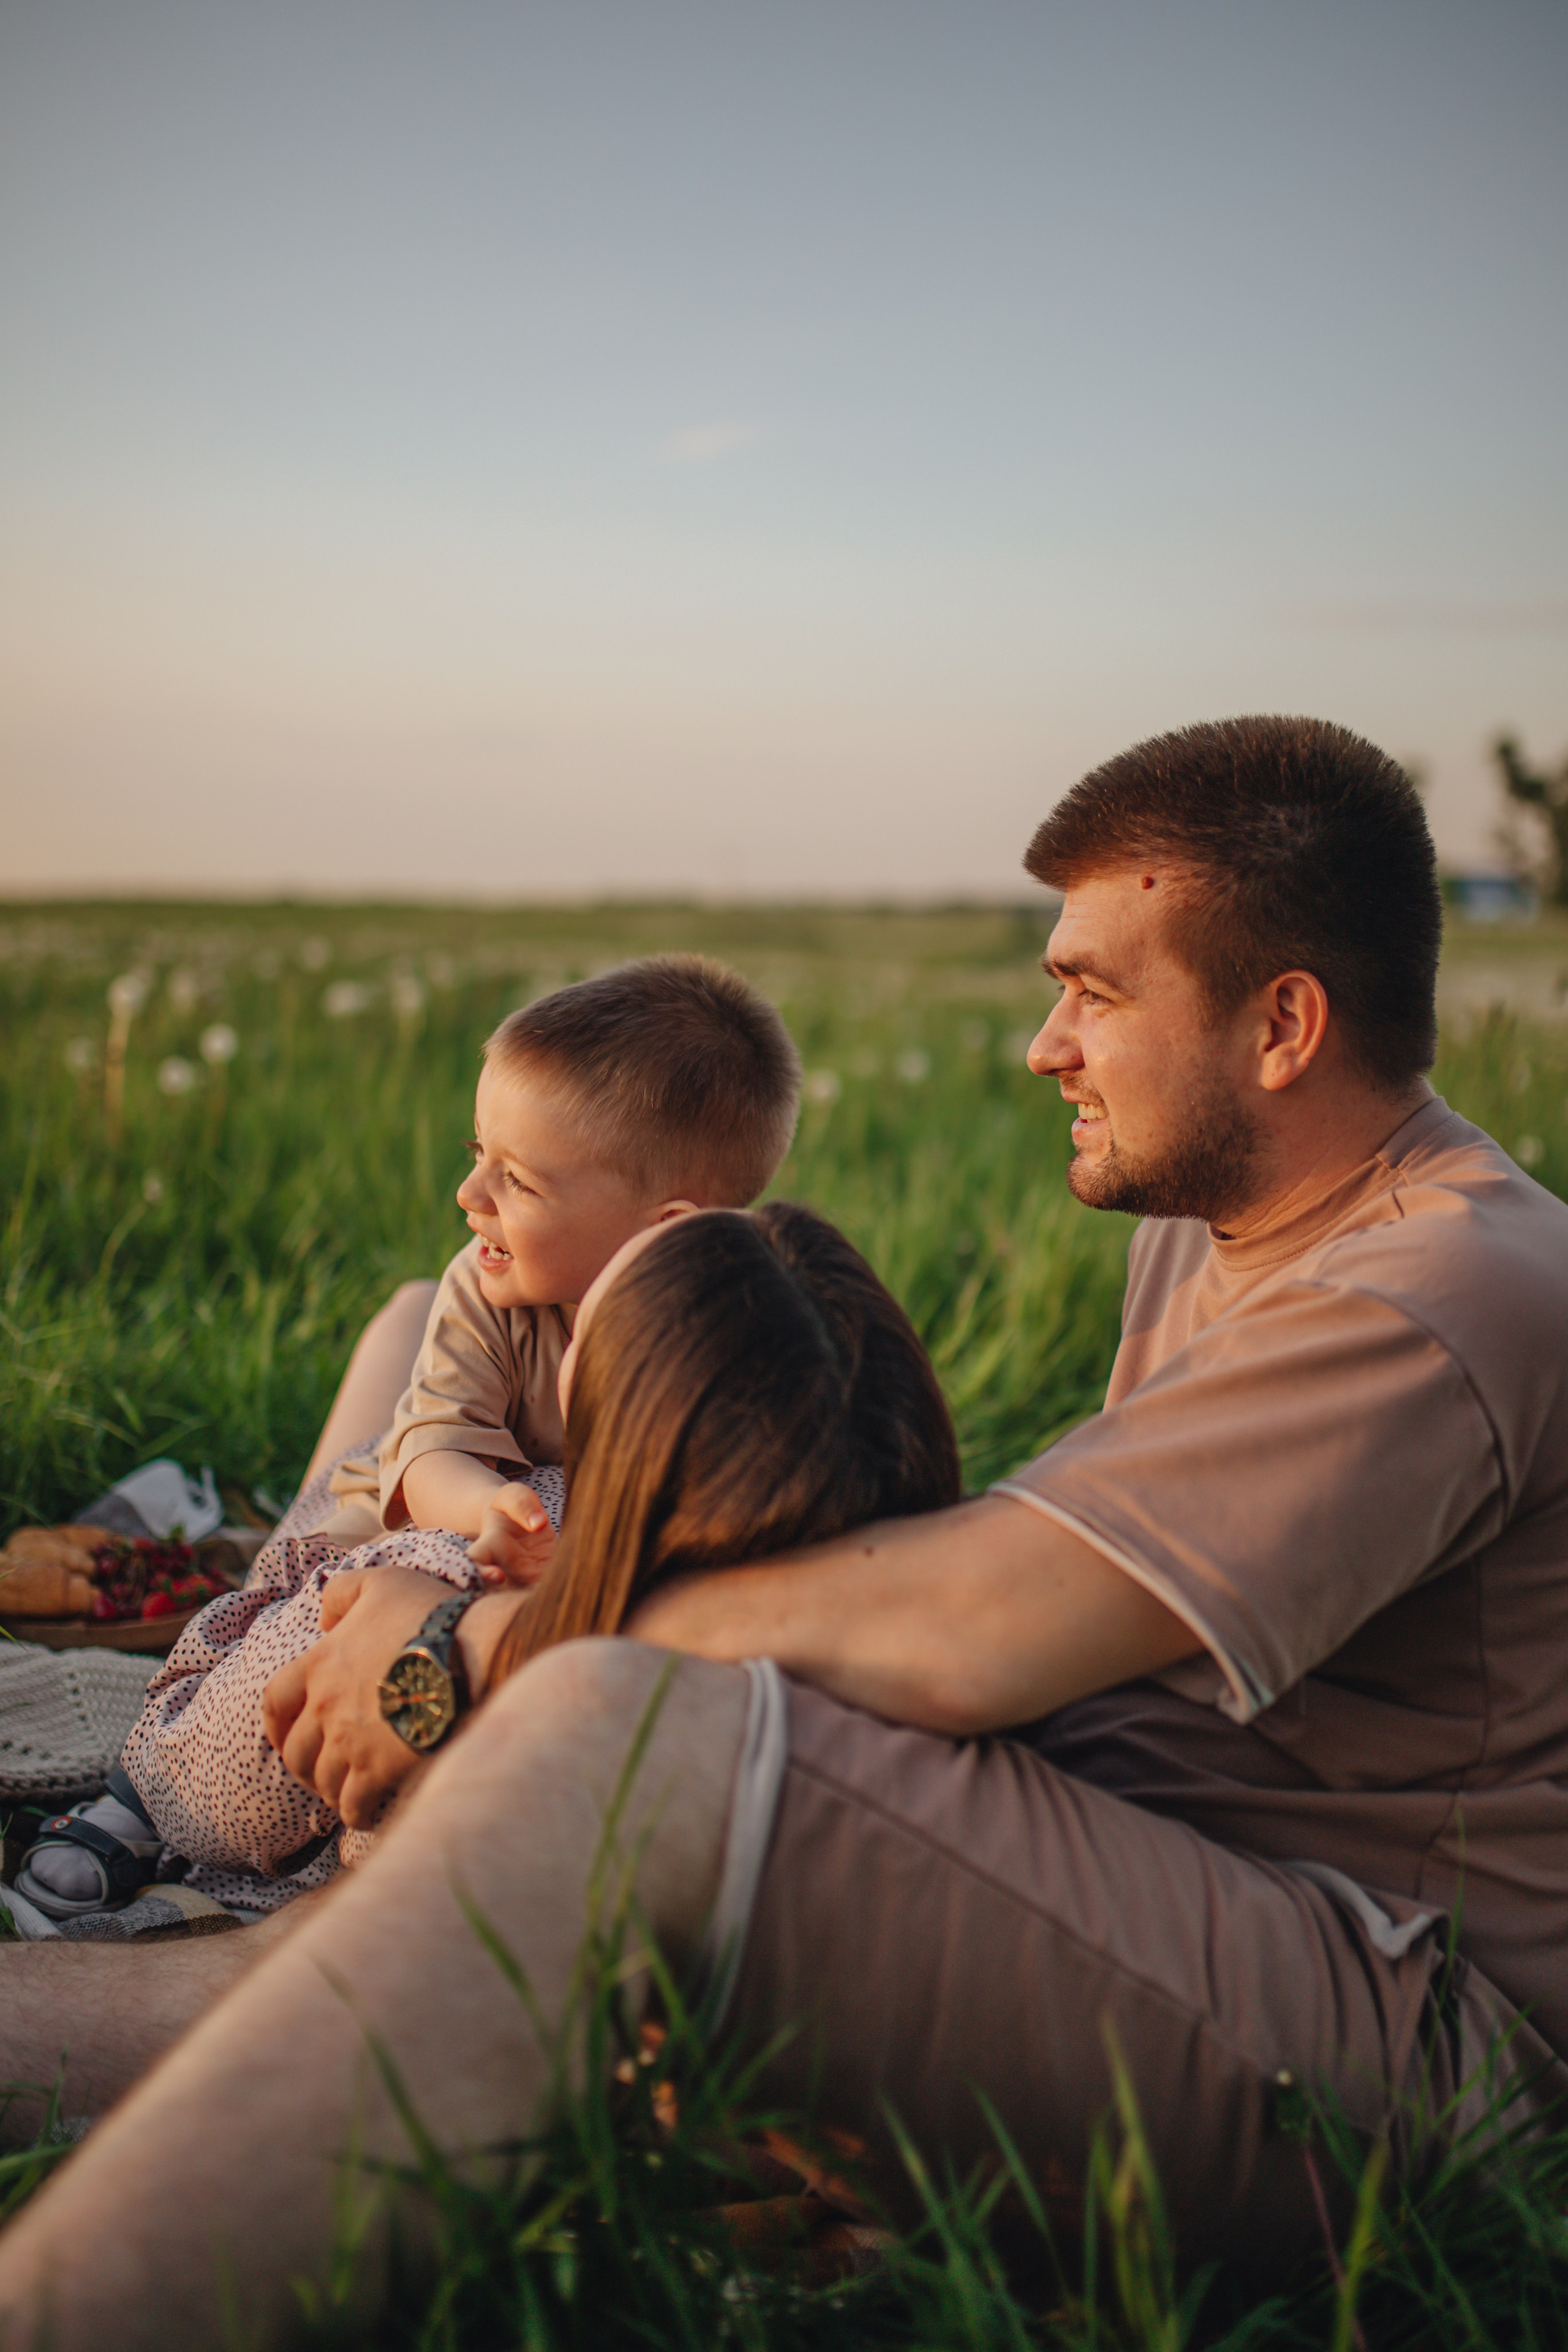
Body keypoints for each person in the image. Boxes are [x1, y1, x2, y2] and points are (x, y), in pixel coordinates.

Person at [4, 714, 1568, 2352]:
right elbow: (1013, 1607)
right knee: (566, 1667)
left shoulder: (1443, 1291)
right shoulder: (1231, 1225)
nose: (1048, 1046)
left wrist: (462, 1641)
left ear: (1285, 1025)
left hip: (1394, 2048)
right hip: (1174, 1896)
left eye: (1096, 991)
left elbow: (982, 1626)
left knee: (622, 1733)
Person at [15, 954, 801, 1921]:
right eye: (476, 1153)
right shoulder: (487, 1284)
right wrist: (489, 1507)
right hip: (382, 1520)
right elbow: (427, 1451)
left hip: (523, 1591)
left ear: (664, 1238)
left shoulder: (732, 1339)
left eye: (514, 1179)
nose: (470, 1197)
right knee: (281, 1619)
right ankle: (148, 1797)